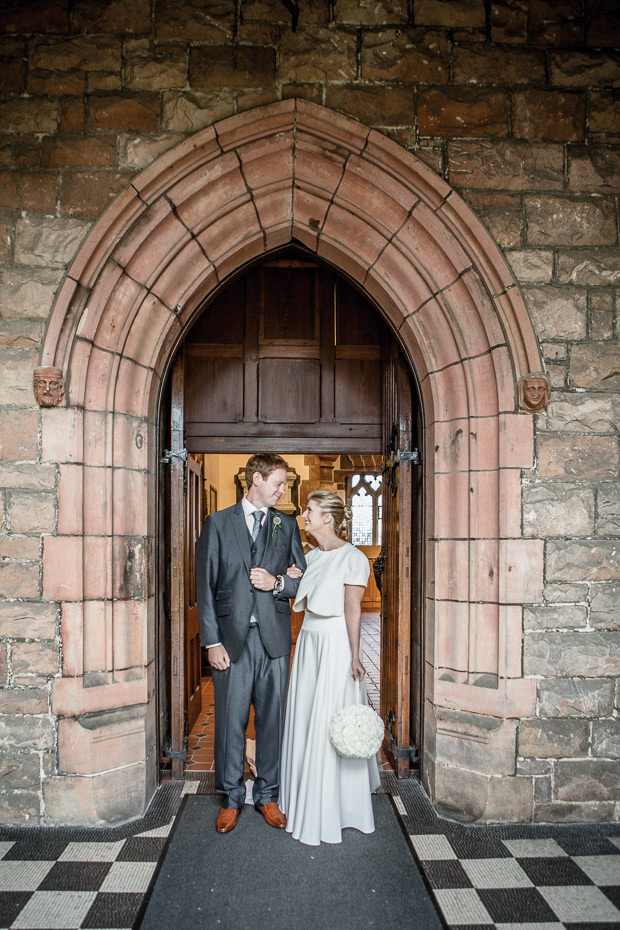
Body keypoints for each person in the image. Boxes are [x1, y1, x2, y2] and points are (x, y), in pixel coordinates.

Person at [196, 453, 306, 834]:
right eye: (278, 483)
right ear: (255, 480)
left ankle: (267, 795)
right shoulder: (219, 523)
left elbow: (301, 578)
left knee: (272, 719)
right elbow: (205, 588)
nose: (283, 490)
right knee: (230, 719)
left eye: (285, 484)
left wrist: (277, 583)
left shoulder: (285, 525)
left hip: (274, 639)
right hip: (231, 640)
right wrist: (211, 641)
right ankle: (230, 797)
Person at [279, 489, 381, 846]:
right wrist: (295, 576)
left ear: (328, 519)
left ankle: (339, 805)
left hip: (335, 643)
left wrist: (355, 655)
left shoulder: (354, 558)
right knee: (308, 715)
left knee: (330, 719)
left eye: (310, 510)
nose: (304, 515)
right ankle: (303, 794)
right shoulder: (310, 557)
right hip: (309, 642)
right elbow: (304, 593)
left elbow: (353, 609)